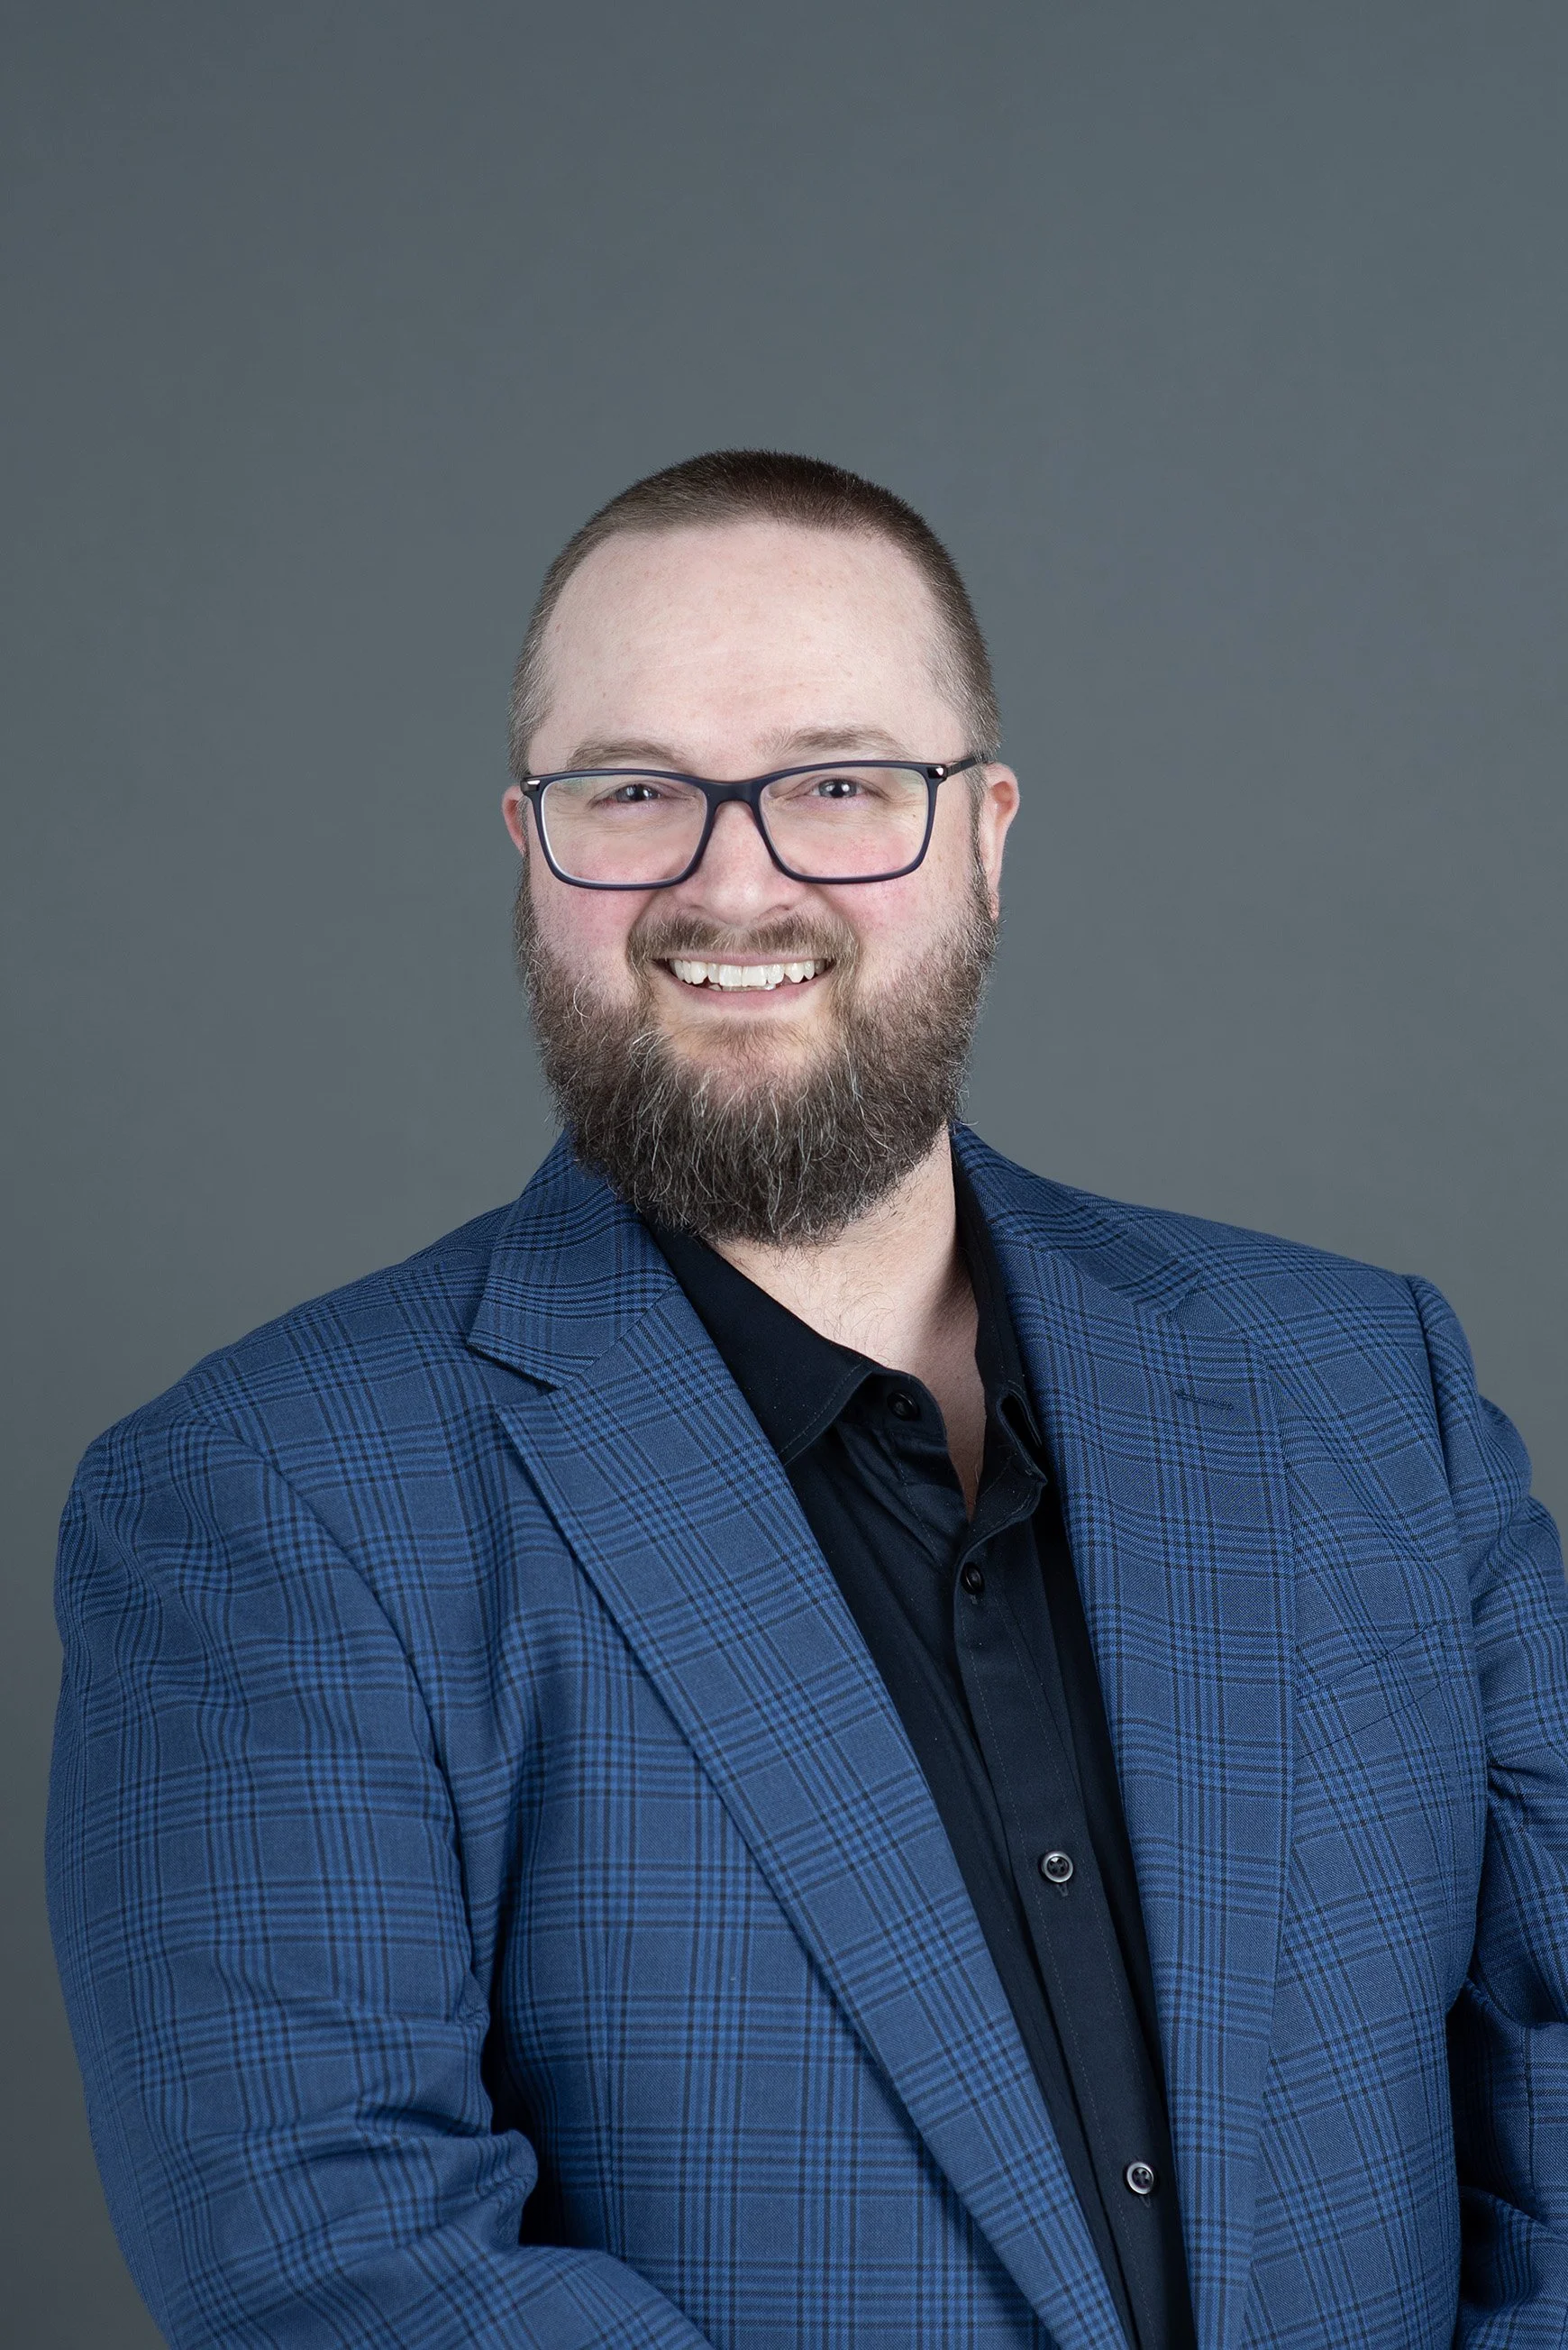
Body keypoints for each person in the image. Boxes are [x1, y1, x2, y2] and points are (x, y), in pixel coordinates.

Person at [48, 450, 1568, 2350]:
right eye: (635, 792)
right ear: (531, 844)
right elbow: (340, 2272)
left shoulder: (1371, 1390)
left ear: (988, 832)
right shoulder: (264, 1506)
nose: (736, 878)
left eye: (844, 783)